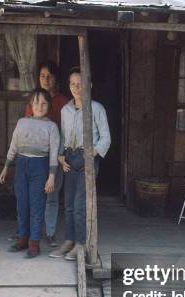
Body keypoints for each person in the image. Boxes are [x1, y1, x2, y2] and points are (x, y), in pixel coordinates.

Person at [49, 67, 111, 261]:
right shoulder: (65, 109)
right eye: (73, 84)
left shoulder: (97, 108)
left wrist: (92, 153)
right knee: (67, 204)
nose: (76, 87)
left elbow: (106, 138)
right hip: (69, 158)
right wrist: (60, 155)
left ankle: (81, 244)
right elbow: (64, 135)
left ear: (89, 85)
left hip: (87, 159)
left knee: (79, 205)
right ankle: (69, 240)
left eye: (80, 83)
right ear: (69, 86)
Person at [9, 61, 69, 247]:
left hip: (56, 154)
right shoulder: (34, 100)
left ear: (56, 79)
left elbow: (65, 132)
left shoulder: (63, 102)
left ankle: (49, 232)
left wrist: (59, 154)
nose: (46, 79)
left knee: (51, 194)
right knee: (27, 197)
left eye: (49, 76)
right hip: (35, 159)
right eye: (42, 75)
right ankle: (23, 233)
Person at [0, 88, 60, 258]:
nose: (39, 106)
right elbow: (14, 145)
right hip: (21, 165)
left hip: (40, 167)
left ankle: (34, 243)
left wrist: (51, 177)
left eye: (44, 103)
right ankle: (23, 239)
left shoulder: (52, 127)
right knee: (22, 205)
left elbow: (54, 153)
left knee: (37, 205)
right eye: (36, 102)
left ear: (49, 106)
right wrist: (6, 166)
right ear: (30, 105)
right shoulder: (22, 122)